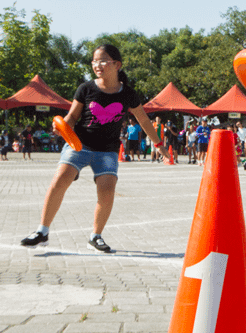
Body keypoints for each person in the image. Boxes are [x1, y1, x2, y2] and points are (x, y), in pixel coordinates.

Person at [20, 44, 169, 252]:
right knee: (60, 180)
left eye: (102, 61)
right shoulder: (86, 89)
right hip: (79, 144)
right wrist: (61, 126)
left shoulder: (128, 94)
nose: (97, 65)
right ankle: (42, 232)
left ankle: (95, 236)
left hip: (107, 150)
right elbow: (72, 117)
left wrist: (159, 145)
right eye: (94, 61)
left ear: (117, 64)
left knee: (107, 191)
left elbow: (144, 121)